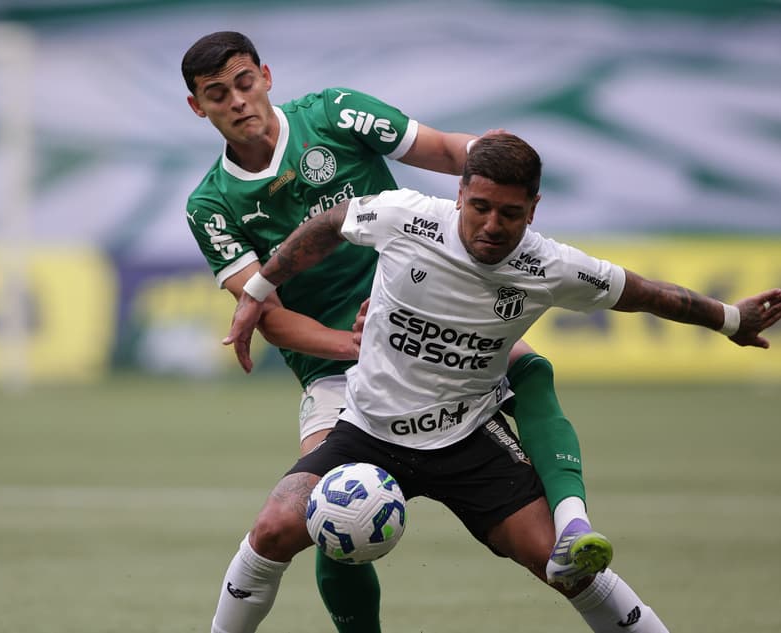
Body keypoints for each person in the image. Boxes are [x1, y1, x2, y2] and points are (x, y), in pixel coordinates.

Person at [221, 133, 781, 632]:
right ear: (461, 193)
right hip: (367, 430)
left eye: (510, 214)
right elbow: (328, 223)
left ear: (534, 209)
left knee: (565, 566)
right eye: (480, 207)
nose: (492, 226)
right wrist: (257, 292)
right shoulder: (406, 216)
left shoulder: (552, 267)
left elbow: (646, 293)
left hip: (467, 438)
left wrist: (732, 320)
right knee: (272, 528)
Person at [182, 32, 608, 633]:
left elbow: (443, 148)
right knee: (330, 513)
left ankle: (572, 523)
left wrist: (509, 169)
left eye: (244, 82)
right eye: (217, 94)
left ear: (267, 76)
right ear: (199, 107)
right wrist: (358, 343)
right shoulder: (212, 204)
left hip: (431, 314)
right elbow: (268, 317)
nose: (237, 101)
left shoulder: (333, 113)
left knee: (529, 363)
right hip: (339, 370)